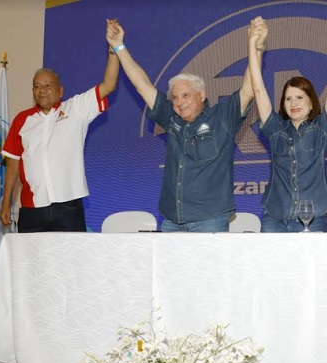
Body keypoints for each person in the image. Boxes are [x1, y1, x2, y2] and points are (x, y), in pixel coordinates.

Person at [105, 19, 263, 232]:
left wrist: (256, 47)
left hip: (210, 221)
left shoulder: (222, 117)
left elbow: (249, 89)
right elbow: (142, 85)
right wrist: (119, 46)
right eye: (175, 97)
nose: (179, 102)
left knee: (208, 267)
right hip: (172, 221)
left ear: (202, 94)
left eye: (186, 95)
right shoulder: (171, 118)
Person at [0, 20, 120, 233]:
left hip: (68, 207)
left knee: (72, 264)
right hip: (31, 208)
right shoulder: (22, 120)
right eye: (37, 86)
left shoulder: (76, 109)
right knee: (33, 265)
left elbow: (108, 85)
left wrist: (113, 50)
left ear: (60, 90)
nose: (42, 90)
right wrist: (5, 201)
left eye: (48, 85)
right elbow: (12, 165)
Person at [247, 16, 327, 232]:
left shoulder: (322, 128)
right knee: (270, 267)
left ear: (311, 103)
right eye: (288, 98)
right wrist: (253, 47)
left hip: (314, 216)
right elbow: (258, 89)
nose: (293, 103)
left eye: (300, 97)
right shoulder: (275, 129)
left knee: (314, 267)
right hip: (275, 217)